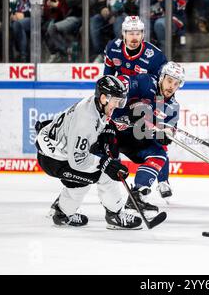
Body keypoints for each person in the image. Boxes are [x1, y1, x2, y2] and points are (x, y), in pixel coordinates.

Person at [35, 75, 142, 229]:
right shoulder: (86, 120)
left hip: (56, 150)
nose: (118, 105)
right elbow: (77, 160)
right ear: (104, 97)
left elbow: (98, 126)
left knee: (87, 176)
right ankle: (115, 216)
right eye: (116, 101)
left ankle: (62, 214)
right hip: (53, 159)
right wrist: (105, 163)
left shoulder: (96, 103)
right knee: (102, 174)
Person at [110, 61, 185, 213]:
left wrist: (165, 135)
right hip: (113, 133)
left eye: (176, 83)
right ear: (162, 77)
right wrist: (131, 108)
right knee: (96, 170)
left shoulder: (172, 107)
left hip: (135, 140)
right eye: (169, 80)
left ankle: (137, 195)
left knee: (159, 154)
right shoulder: (146, 81)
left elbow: (169, 132)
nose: (172, 86)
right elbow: (122, 83)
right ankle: (63, 205)